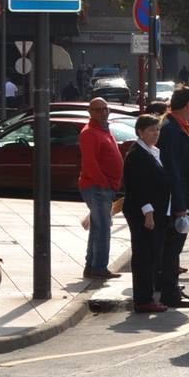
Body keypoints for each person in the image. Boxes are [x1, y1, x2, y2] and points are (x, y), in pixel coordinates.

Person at [122, 115, 173, 313]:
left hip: (156, 211)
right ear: (140, 132)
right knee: (144, 256)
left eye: (157, 130)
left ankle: (146, 296)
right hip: (143, 213)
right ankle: (143, 299)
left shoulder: (152, 152)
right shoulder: (137, 155)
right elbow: (138, 187)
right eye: (151, 130)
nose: (156, 134)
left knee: (151, 255)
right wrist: (148, 213)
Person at [158, 86, 189, 309]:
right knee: (173, 245)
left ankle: (170, 286)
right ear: (187, 105)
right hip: (175, 198)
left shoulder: (176, 126)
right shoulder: (172, 130)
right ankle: (169, 291)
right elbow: (174, 169)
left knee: (173, 246)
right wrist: (181, 204)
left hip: (178, 195)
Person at [78, 98, 124, 280]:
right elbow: (90, 163)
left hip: (103, 186)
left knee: (98, 227)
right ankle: (99, 267)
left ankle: (92, 266)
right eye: (99, 110)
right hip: (96, 187)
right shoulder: (89, 133)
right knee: (103, 227)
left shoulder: (104, 130)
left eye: (106, 109)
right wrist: (104, 183)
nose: (104, 113)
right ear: (90, 112)